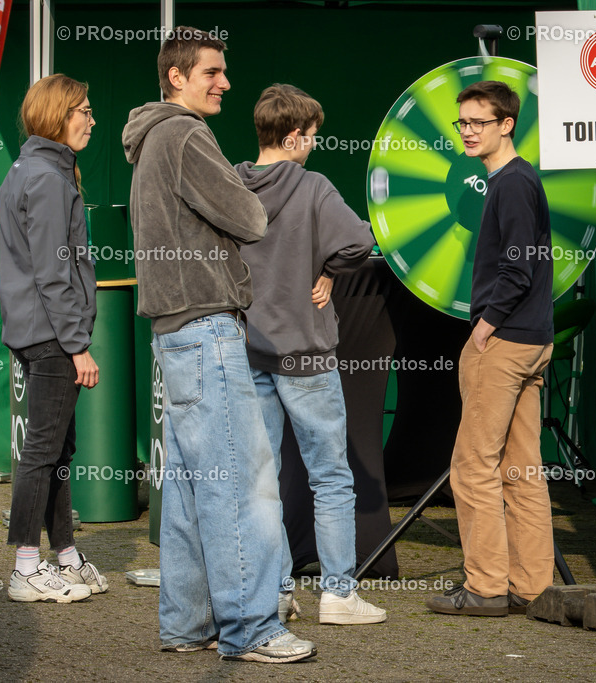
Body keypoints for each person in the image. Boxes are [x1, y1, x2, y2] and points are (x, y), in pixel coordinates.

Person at [122, 28, 316, 663]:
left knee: (185, 485)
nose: (225, 82)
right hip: (205, 328)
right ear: (176, 77)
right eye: (212, 72)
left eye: (224, 71)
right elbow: (252, 218)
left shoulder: (151, 137)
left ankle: (187, 622)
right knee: (242, 482)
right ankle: (253, 627)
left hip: (175, 332)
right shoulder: (184, 134)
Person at [234, 84, 384, 626]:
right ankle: (339, 594)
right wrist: (326, 272)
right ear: (295, 136)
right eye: (313, 136)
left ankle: (273, 594)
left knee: (262, 479)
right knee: (331, 477)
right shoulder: (312, 186)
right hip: (307, 355)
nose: (314, 145)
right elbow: (360, 243)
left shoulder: (231, 182)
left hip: (248, 351)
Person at [426, 80, 554, 617]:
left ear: (507, 125)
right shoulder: (517, 181)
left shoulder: (511, 183)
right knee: (521, 468)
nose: (469, 131)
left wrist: (486, 325)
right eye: (463, 122)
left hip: (504, 342)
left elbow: (518, 266)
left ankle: (484, 589)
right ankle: (530, 587)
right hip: (530, 340)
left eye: (480, 121)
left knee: (472, 466)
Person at [0, 74, 109, 603]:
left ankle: (62, 553)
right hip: (50, 336)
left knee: (57, 446)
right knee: (42, 450)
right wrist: (77, 345)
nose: (91, 119)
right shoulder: (45, 178)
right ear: (56, 115)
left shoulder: (37, 169)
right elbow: (52, 273)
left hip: (42, 333)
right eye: (83, 110)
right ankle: (25, 564)